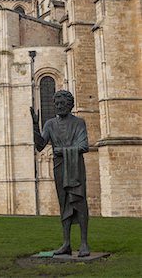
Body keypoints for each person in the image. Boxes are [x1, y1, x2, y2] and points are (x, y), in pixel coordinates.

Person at [31, 90, 90, 257]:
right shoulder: (50, 124)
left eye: (62, 104)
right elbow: (41, 145)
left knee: (79, 203)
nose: (58, 107)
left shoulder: (79, 123)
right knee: (63, 204)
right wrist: (35, 126)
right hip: (59, 168)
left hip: (76, 167)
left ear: (69, 105)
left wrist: (62, 150)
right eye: (56, 104)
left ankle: (84, 243)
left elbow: (84, 145)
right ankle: (66, 243)